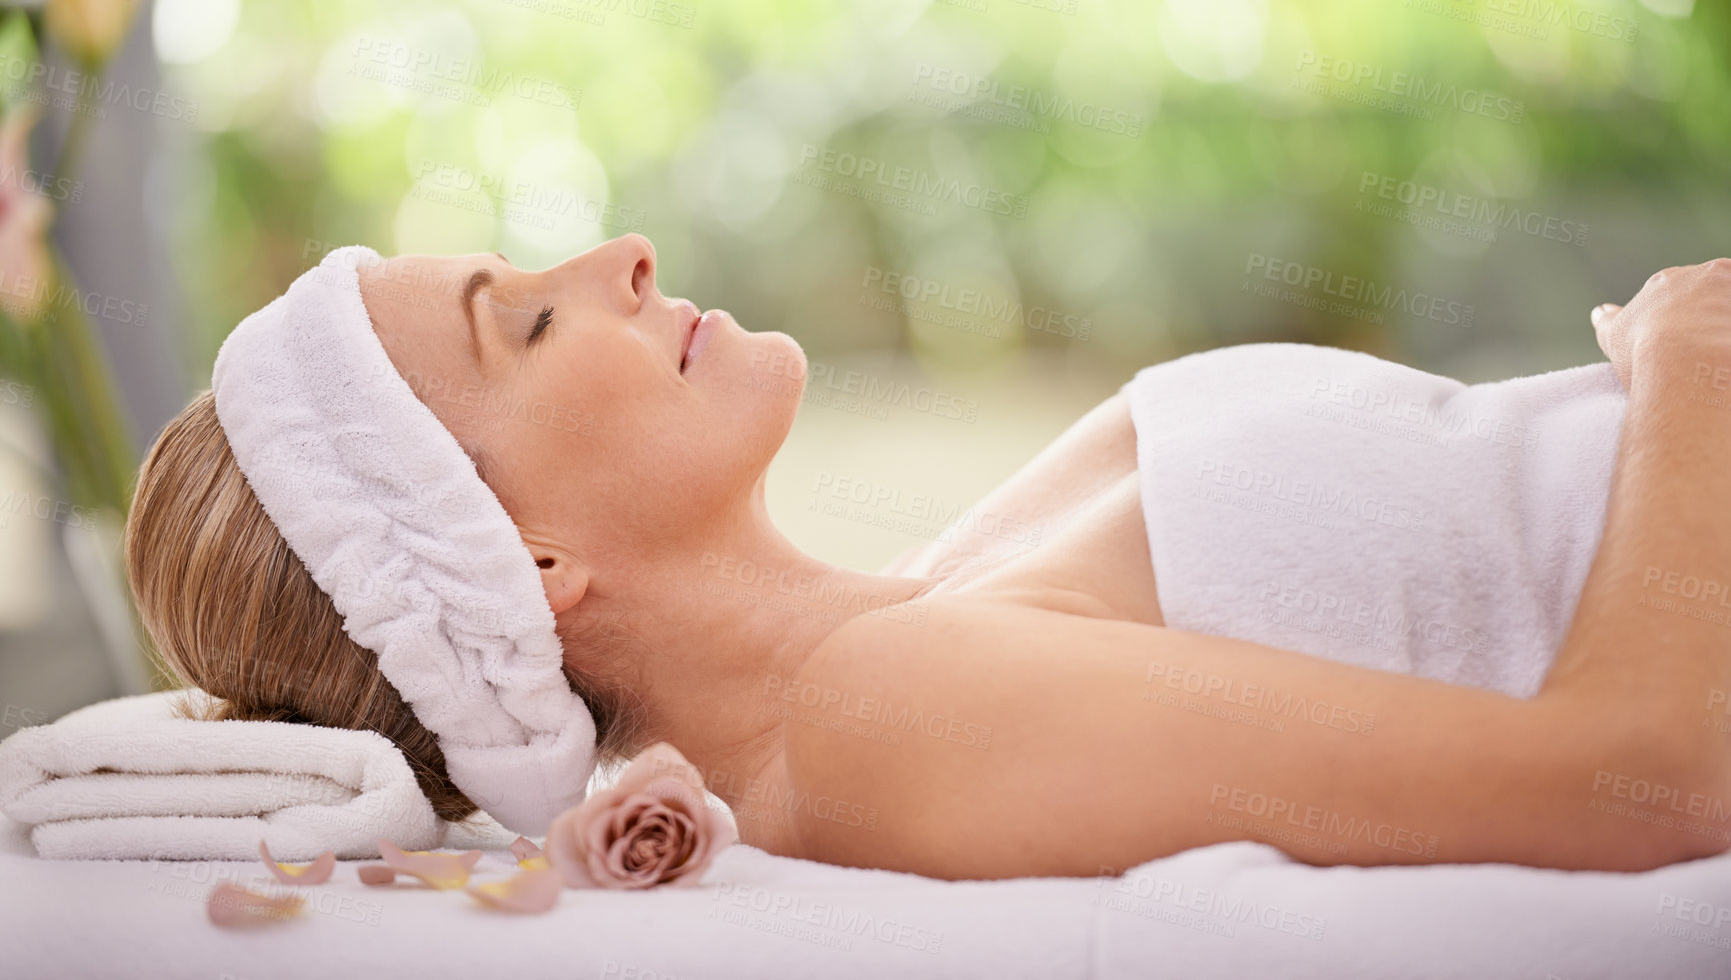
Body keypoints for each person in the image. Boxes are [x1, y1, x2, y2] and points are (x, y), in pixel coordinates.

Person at [123, 234, 1731, 880]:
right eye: (528, 323)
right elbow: (1640, 782)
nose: (616, 252)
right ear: (526, 564)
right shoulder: (880, 711)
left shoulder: (920, 618)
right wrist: (1695, 357)